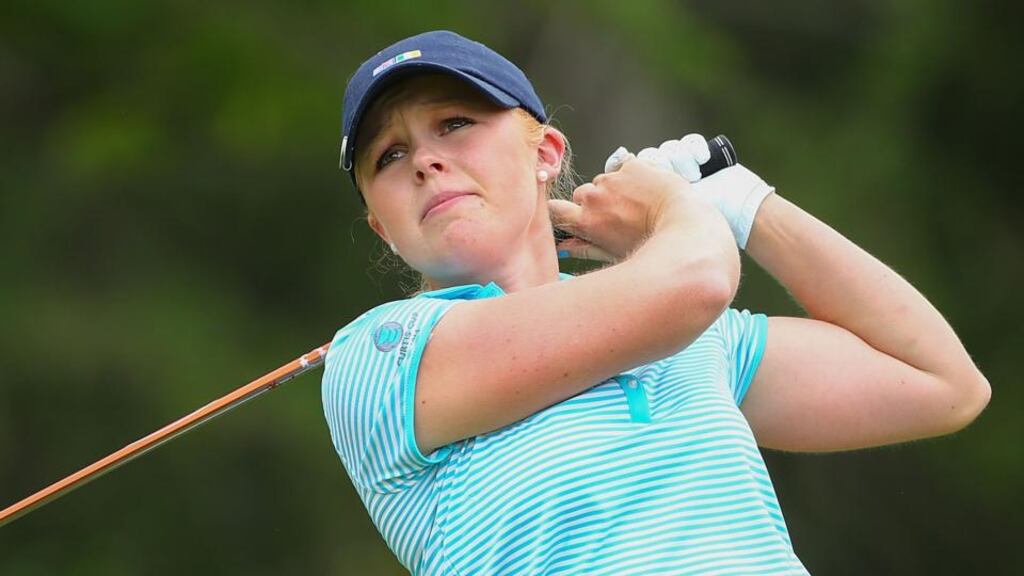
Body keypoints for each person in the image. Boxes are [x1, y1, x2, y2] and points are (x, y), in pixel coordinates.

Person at [321, 30, 991, 575]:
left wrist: (748, 207)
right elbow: (694, 282)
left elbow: (941, 384)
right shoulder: (379, 358)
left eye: (456, 123)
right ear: (383, 225)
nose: (424, 162)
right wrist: (674, 207)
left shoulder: (695, 337)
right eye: (389, 155)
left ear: (546, 152)